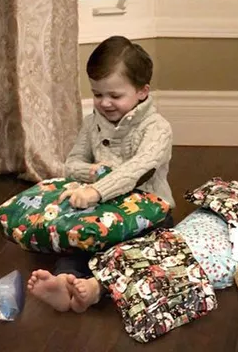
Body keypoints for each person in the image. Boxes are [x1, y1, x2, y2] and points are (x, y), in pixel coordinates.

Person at [27, 36, 174, 313]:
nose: (104, 103)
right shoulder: (92, 122)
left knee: (139, 253)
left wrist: (97, 188)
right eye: (97, 94)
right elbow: (72, 164)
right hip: (99, 209)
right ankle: (64, 282)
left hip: (147, 211)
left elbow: (137, 170)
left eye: (115, 96)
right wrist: (91, 172)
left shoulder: (158, 129)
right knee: (78, 241)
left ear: (142, 91)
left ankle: (96, 290)